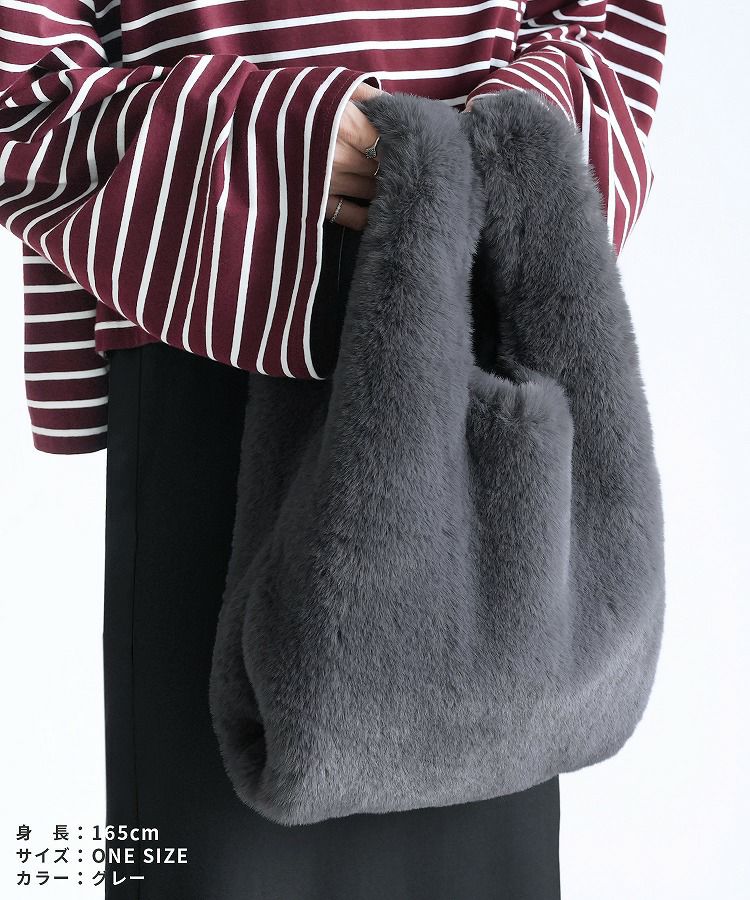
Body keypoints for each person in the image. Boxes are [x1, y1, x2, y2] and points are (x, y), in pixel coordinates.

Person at [0, 2, 667, 897]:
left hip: (475, 306)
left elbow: (599, 19)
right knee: (216, 864)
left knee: (480, 843)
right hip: (218, 295)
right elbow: (25, 74)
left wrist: (500, 148)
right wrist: (278, 149)